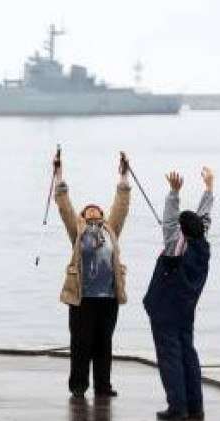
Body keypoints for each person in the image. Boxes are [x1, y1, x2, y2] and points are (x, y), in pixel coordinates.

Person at [53, 152, 131, 398]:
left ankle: (103, 386)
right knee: (81, 343)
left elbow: (121, 205)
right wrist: (59, 176)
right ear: (83, 217)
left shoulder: (111, 230)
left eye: (97, 209)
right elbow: (65, 207)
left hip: (108, 297)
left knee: (104, 343)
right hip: (82, 297)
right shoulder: (78, 232)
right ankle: (78, 386)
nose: (93, 211)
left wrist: (124, 176)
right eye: (88, 210)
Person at [143, 168, 214, 421]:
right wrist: (208, 188)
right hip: (186, 309)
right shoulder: (202, 245)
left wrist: (174, 192)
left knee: (170, 357)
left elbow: (170, 222)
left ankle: (178, 407)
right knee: (188, 353)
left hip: (166, 309)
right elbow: (203, 218)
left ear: (182, 230)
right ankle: (195, 407)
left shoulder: (175, 246)